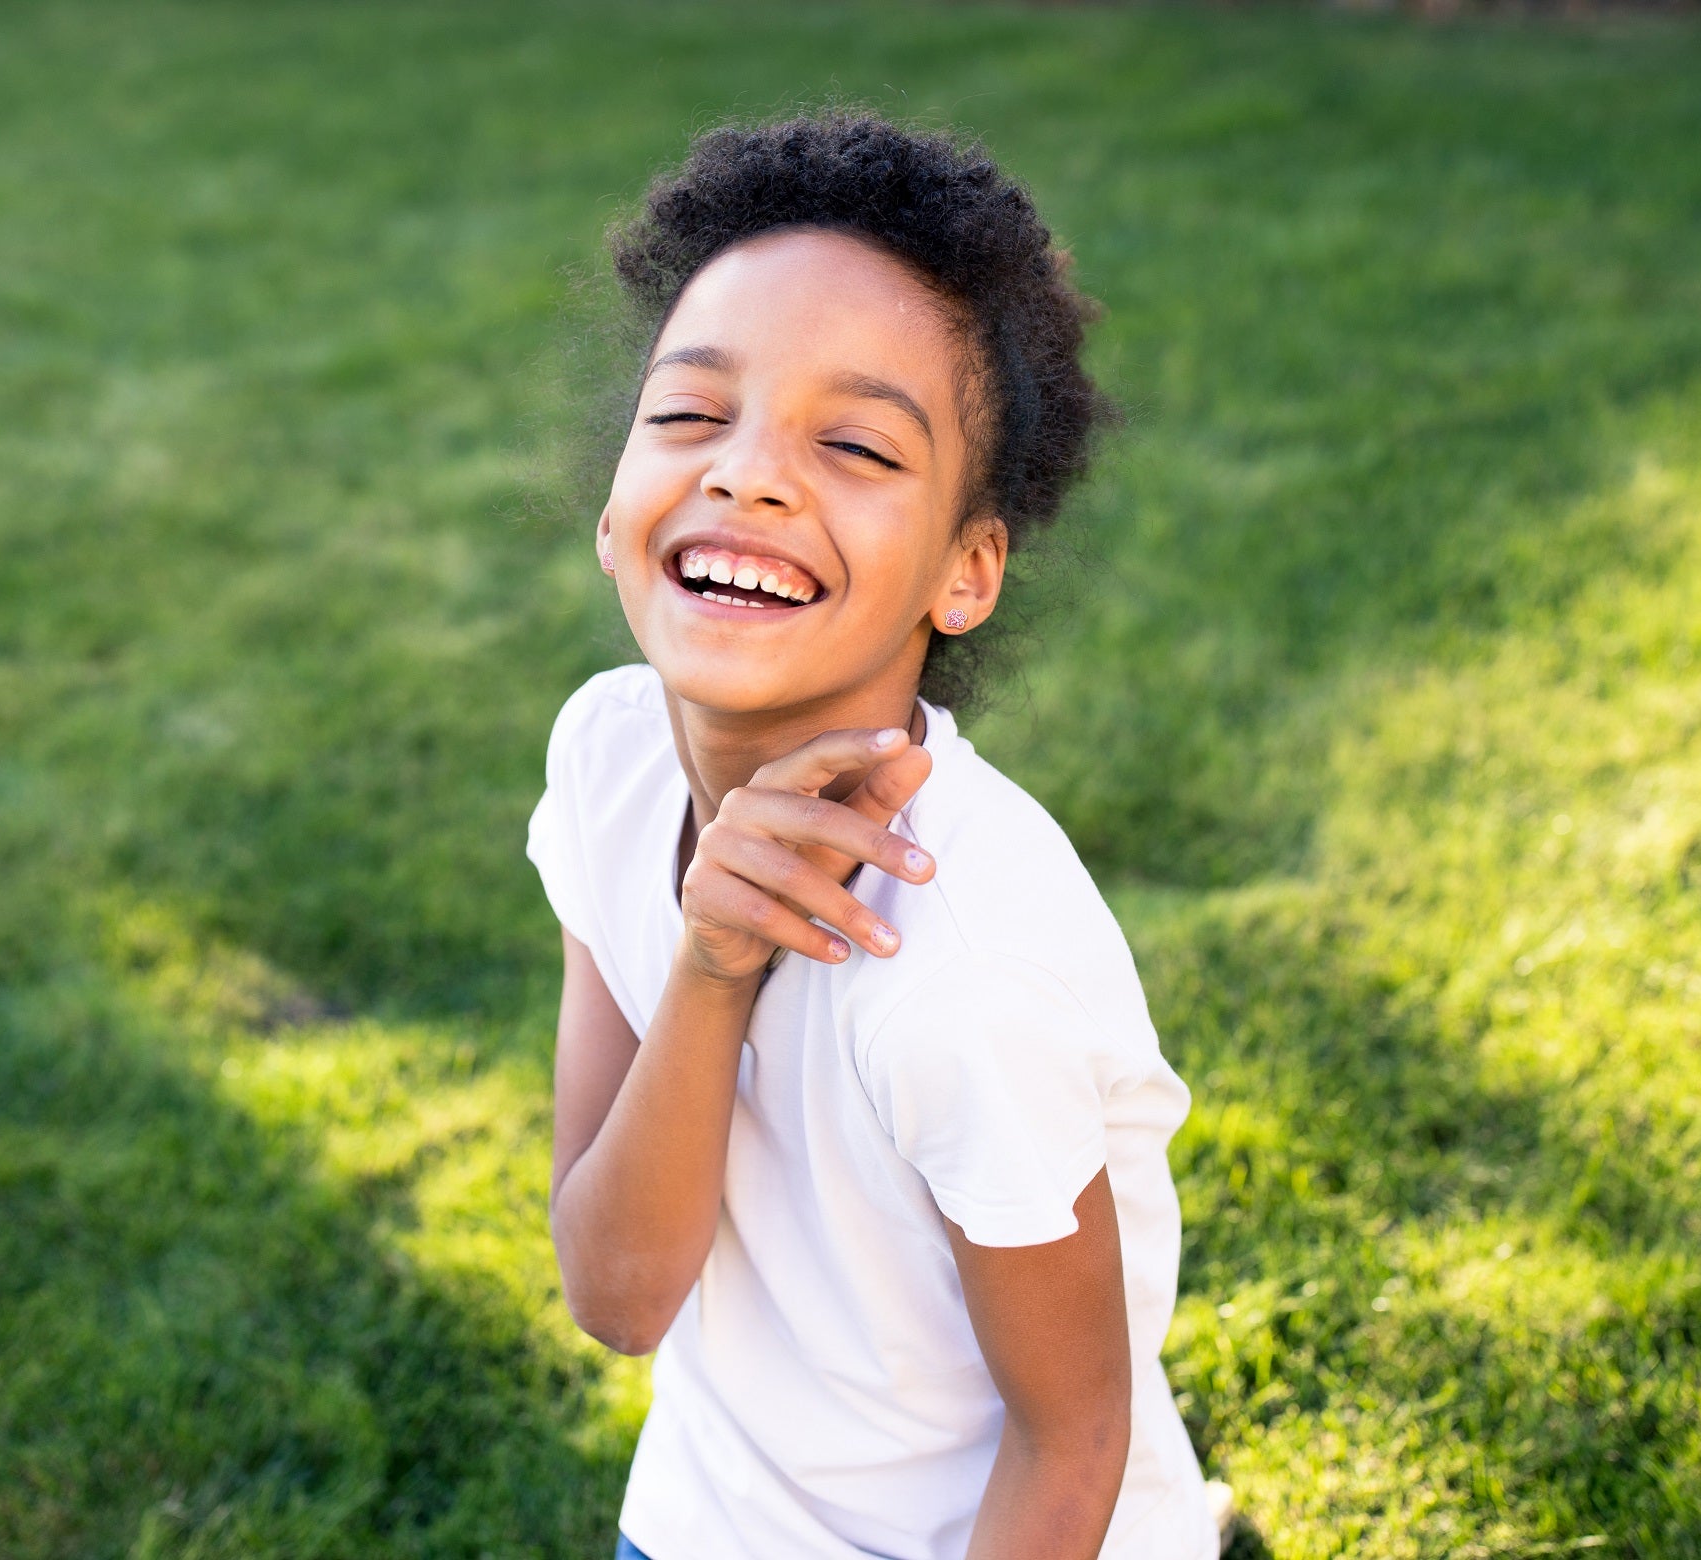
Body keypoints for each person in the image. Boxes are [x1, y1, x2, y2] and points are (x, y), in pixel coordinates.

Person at [527, 114, 1220, 1560]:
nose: (749, 475)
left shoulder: (959, 972)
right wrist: (714, 967)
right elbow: (619, 1294)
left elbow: (1072, 1438)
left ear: (967, 572)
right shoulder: (606, 756)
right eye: (690, 416)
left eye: (851, 444)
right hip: (708, 1522)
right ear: (613, 511)